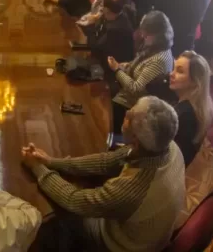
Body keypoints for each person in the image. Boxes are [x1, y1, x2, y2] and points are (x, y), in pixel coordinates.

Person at [21, 96, 184, 252]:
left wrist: (38, 169)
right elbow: (107, 161)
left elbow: (73, 199)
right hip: (148, 232)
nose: (126, 113)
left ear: (135, 141)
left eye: (130, 116)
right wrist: (52, 162)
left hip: (123, 246)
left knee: (57, 216)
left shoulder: (132, 189)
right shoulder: (167, 145)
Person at [107, 11, 175, 140]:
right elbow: (137, 64)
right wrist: (122, 66)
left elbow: (135, 88)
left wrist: (117, 70)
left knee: (103, 110)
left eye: (147, 33)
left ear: (158, 35)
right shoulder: (155, 45)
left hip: (134, 104)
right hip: (126, 95)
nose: (143, 35)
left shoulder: (160, 59)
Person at [169, 51, 213, 166]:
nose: (171, 74)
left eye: (179, 71)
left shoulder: (185, 115)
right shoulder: (199, 104)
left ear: (195, 82)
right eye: (174, 68)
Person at [82, 0, 135, 64]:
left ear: (107, 10)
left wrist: (91, 25)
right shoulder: (119, 13)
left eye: (102, 6)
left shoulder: (115, 30)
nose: (101, 8)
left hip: (113, 66)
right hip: (108, 53)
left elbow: (96, 50)